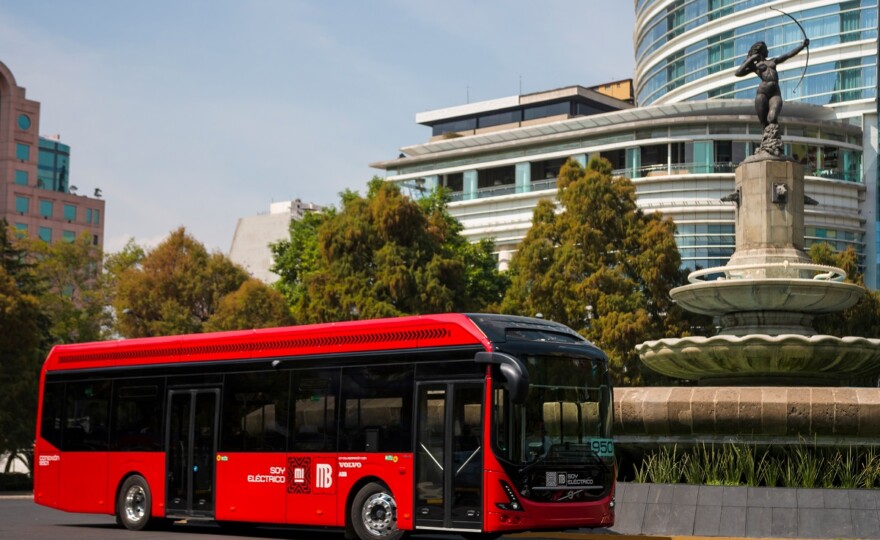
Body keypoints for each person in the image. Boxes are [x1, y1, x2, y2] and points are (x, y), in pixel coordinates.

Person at [735, 38, 809, 129]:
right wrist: (752, 58)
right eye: (766, 49)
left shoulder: (773, 61)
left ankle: (772, 137)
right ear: (761, 50)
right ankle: (766, 138)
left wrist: (802, 46)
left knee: (772, 118)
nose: (768, 51)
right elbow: (738, 73)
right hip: (763, 91)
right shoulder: (755, 66)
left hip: (775, 92)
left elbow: (788, 55)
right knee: (764, 122)